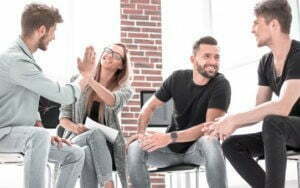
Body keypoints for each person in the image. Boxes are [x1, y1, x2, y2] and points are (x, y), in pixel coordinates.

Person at [0, 3, 96, 188]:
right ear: (42, 30)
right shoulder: (16, 61)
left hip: (19, 134)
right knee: (39, 136)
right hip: (3, 134)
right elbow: (64, 95)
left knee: (74, 154)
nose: (54, 37)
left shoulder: (24, 59)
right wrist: (85, 76)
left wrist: (38, 127)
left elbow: (24, 102)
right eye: (53, 31)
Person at [206, 1, 300, 188]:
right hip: (285, 132)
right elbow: (260, 110)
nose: (252, 29)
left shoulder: (298, 55)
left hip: (289, 128)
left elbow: (283, 107)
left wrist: (235, 119)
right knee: (232, 145)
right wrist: (228, 123)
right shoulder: (266, 62)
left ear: (274, 25)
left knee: (273, 121)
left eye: (257, 23)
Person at [127, 36, 231, 188]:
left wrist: (169, 137)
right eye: (206, 56)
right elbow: (148, 108)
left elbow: (209, 128)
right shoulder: (177, 78)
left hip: (197, 151)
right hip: (170, 152)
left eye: (216, 57)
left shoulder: (221, 85)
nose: (213, 62)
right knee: (136, 147)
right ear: (193, 59)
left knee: (210, 141)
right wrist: (141, 134)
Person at [58, 43, 132, 188]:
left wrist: (89, 78)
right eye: (108, 50)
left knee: (88, 152)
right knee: (94, 135)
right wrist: (75, 128)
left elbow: (113, 101)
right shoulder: (76, 80)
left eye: (116, 55)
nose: (109, 55)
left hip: (108, 148)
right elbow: (63, 118)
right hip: (76, 138)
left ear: (121, 66)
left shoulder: (125, 89)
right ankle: (108, 184)